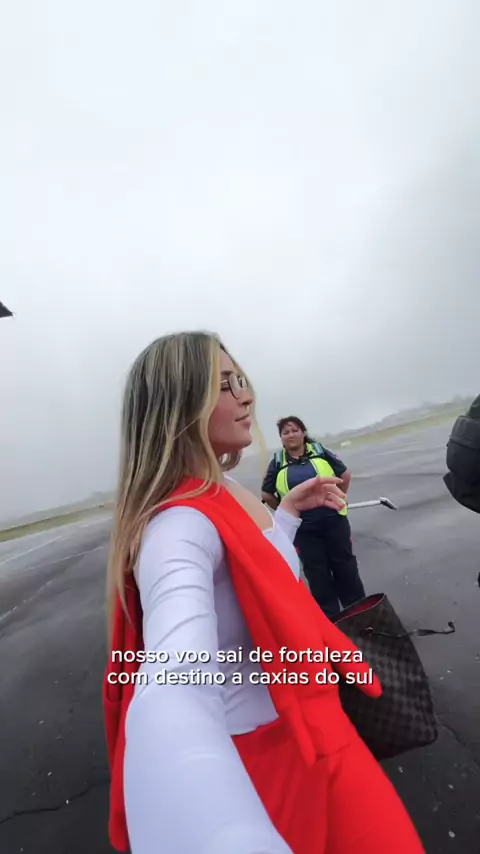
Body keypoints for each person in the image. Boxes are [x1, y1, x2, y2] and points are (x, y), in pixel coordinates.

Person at [103, 331, 425, 854]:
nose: (247, 395)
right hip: (265, 764)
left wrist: (288, 515)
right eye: (224, 385)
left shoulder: (222, 489)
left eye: (242, 380)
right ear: (178, 404)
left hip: (316, 727)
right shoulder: (178, 528)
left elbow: (258, 569)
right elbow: (172, 681)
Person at [261, 417, 365, 619]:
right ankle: (332, 621)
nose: (290, 435)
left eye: (294, 430)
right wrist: (288, 511)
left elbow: (345, 475)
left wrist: (340, 498)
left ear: (303, 433)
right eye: (285, 432)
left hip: (334, 522)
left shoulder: (320, 451)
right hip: (304, 531)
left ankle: (361, 616)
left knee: (346, 568)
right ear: (281, 438)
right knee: (317, 576)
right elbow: (266, 494)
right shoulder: (277, 463)